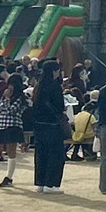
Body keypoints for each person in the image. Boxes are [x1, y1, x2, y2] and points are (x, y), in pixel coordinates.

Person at [30, 61, 70, 191]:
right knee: (56, 155)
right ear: (54, 71)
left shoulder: (39, 86)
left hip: (39, 125)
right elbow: (59, 106)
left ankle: (40, 183)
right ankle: (51, 184)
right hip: (53, 125)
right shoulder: (55, 86)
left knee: (41, 154)